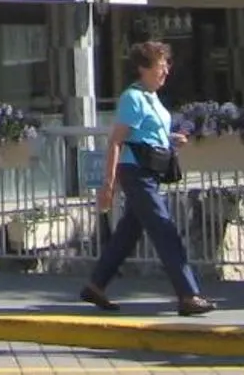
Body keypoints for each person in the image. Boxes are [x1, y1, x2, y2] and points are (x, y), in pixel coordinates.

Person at [79, 39, 215, 316]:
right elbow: (117, 141)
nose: (165, 72)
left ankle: (96, 285)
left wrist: (168, 139)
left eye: (166, 66)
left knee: (128, 233)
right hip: (137, 172)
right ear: (142, 68)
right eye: (160, 67)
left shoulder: (151, 97)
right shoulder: (133, 98)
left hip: (150, 172)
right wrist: (109, 184)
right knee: (164, 230)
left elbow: (146, 133)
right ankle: (188, 294)